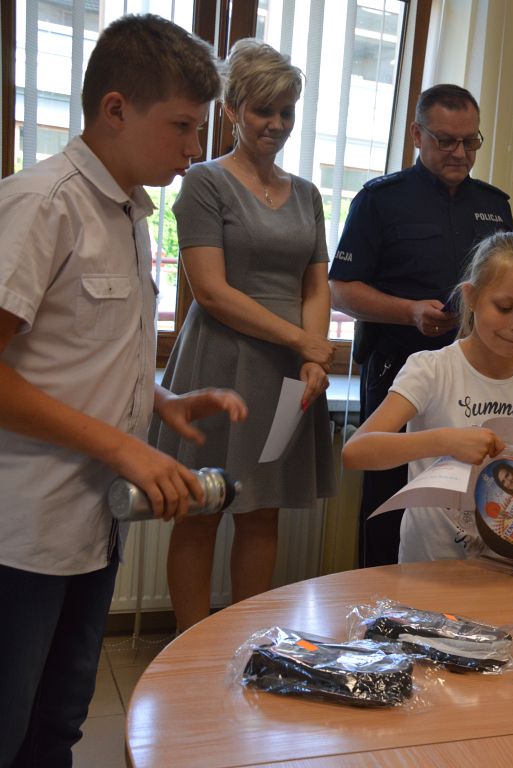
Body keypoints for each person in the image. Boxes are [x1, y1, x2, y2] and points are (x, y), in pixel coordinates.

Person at [0, 15, 247, 766]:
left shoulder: (131, 212)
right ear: (115, 109)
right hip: (21, 532)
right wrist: (122, 446)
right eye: (181, 125)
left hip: (92, 526)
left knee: (57, 726)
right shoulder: (42, 204)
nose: (194, 148)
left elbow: (75, 354)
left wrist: (160, 399)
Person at [149, 39, 336, 632]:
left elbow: (316, 285)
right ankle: (190, 648)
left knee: (262, 513)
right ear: (232, 110)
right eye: (263, 110)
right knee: (201, 508)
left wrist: (313, 357)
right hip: (218, 362)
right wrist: (302, 342)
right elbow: (210, 291)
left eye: (286, 112)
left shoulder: (306, 194)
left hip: (287, 375)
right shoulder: (205, 182)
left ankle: (245, 644)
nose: (276, 124)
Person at [329, 84, 513, 567]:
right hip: (397, 366)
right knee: (389, 499)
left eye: (471, 141)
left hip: (472, 374)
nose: (460, 153)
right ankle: (378, 601)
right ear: (416, 134)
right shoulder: (380, 200)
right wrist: (409, 311)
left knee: (465, 500)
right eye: (445, 140)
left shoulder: (494, 205)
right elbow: (340, 289)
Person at [342, 232, 513, 563]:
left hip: (501, 569)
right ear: (471, 297)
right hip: (426, 567)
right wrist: (446, 441)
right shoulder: (431, 370)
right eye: (505, 308)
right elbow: (356, 452)